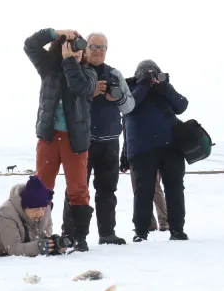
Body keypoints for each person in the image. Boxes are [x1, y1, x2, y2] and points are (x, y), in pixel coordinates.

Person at [23, 27, 98, 251]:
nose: (77, 50)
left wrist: (69, 61)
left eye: (80, 47)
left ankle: (79, 238)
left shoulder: (89, 73)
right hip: (48, 136)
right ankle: (39, 234)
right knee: (41, 189)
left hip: (75, 139)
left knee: (78, 189)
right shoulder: (48, 68)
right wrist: (54, 33)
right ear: (61, 47)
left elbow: (78, 86)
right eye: (72, 45)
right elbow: (30, 45)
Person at [59, 33, 134, 245]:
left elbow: (130, 107)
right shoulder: (76, 72)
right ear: (85, 48)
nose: (98, 51)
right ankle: (70, 234)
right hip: (82, 140)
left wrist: (118, 97)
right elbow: (65, 103)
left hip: (109, 141)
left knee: (107, 190)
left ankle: (107, 233)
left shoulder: (114, 74)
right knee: (76, 189)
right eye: (94, 47)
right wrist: (89, 94)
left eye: (103, 47)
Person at [122, 59, 190, 241]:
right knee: (143, 190)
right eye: (146, 73)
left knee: (175, 188)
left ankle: (177, 229)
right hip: (142, 149)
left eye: (154, 73)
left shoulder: (164, 87)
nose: (151, 76)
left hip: (171, 147)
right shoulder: (130, 88)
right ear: (138, 75)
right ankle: (141, 231)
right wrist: (144, 85)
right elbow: (128, 108)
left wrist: (164, 87)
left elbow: (182, 105)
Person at [0, 175, 60, 258]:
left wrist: (55, 245)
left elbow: (43, 238)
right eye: (35, 210)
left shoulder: (46, 210)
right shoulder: (6, 213)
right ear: (25, 207)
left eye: (43, 209)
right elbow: (13, 249)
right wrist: (38, 247)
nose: (40, 213)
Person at [121, 126, 168, 231]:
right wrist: (124, 157)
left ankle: (163, 221)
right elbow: (127, 138)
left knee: (154, 188)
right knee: (140, 190)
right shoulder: (126, 118)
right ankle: (150, 222)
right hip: (135, 154)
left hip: (148, 153)